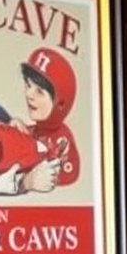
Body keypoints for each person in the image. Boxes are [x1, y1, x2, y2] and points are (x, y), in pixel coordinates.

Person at [20, 46, 80, 187]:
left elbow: (66, 175)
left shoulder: (62, 140)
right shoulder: (29, 131)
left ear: (60, 103)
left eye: (39, 91)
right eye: (28, 85)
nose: (29, 94)